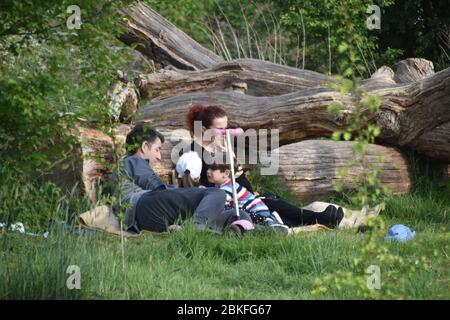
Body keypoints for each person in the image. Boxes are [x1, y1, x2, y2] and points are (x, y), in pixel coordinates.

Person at [111, 123, 252, 234]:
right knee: (216, 193)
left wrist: (192, 193)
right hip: (142, 207)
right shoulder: (131, 161)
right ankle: (196, 229)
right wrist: (193, 192)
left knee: (237, 214)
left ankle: (236, 231)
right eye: (157, 149)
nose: (159, 157)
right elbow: (157, 187)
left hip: (150, 214)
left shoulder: (129, 166)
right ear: (144, 147)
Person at [182, 104, 254, 191]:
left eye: (226, 128)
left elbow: (238, 170)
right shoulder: (192, 152)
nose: (225, 133)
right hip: (222, 198)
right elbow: (203, 183)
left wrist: (229, 153)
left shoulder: (222, 144)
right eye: (220, 129)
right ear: (204, 130)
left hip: (244, 195)